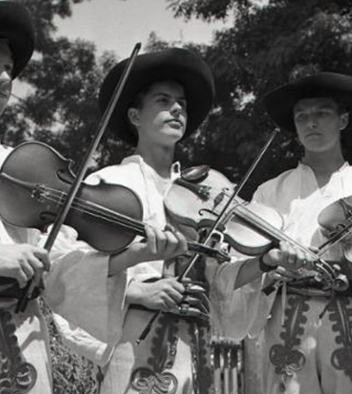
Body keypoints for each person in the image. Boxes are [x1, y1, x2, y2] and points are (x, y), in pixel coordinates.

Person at [0, 3, 184, 392]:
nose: (5, 78)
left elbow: (59, 269)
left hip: (24, 344)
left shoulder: (24, 164)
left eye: (9, 69)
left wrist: (136, 254)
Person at [219, 72, 352, 394]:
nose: (311, 123)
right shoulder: (271, 191)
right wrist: (271, 260)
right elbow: (238, 267)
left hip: (351, 317)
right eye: (302, 116)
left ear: (343, 120)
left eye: (322, 113)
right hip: (288, 320)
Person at [86, 48, 237, 394]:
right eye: (163, 100)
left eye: (182, 102)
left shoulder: (205, 194)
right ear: (135, 116)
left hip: (196, 343)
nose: (178, 109)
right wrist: (134, 289)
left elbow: (224, 278)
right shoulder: (107, 184)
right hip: (135, 335)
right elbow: (70, 266)